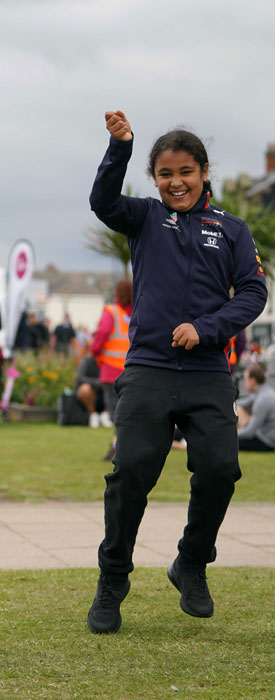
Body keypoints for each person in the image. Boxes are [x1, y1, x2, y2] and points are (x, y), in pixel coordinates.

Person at [86, 110, 268, 635]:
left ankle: (190, 562)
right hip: (148, 368)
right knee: (131, 475)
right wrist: (120, 147)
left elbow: (254, 292)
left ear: (204, 172)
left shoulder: (230, 229)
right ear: (155, 179)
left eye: (185, 171)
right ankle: (113, 576)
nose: (176, 182)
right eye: (165, 174)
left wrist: (207, 328)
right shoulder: (144, 217)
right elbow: (102, 203)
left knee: (219, 470)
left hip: (209, 371)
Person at [91, 280, 133, 458]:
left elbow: (102, 334)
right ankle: (123, 446)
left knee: (116, 411)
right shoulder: (137, 311)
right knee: (129, 411)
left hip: (111, 370)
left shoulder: (111, 311)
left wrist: (94, 351)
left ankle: (118, 447)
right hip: (132, 368)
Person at [236, 364, 275, 452]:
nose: (244, 383)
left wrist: (229, 434)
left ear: (253, 381)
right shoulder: (264, 392)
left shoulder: (263, 399)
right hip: (265, 436)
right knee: (237, 407)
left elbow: (250, 432)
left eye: (245, 380)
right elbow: (241, 403)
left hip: (266, 441)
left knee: (228, 442)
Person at [74, 353, 105, 427]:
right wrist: (98, 382)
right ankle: (93, 415)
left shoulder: (109, 361)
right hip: (89, 395)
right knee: (85, 389)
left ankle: (106, 415)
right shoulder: (86, 360)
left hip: (105, 394)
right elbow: (80, 378)